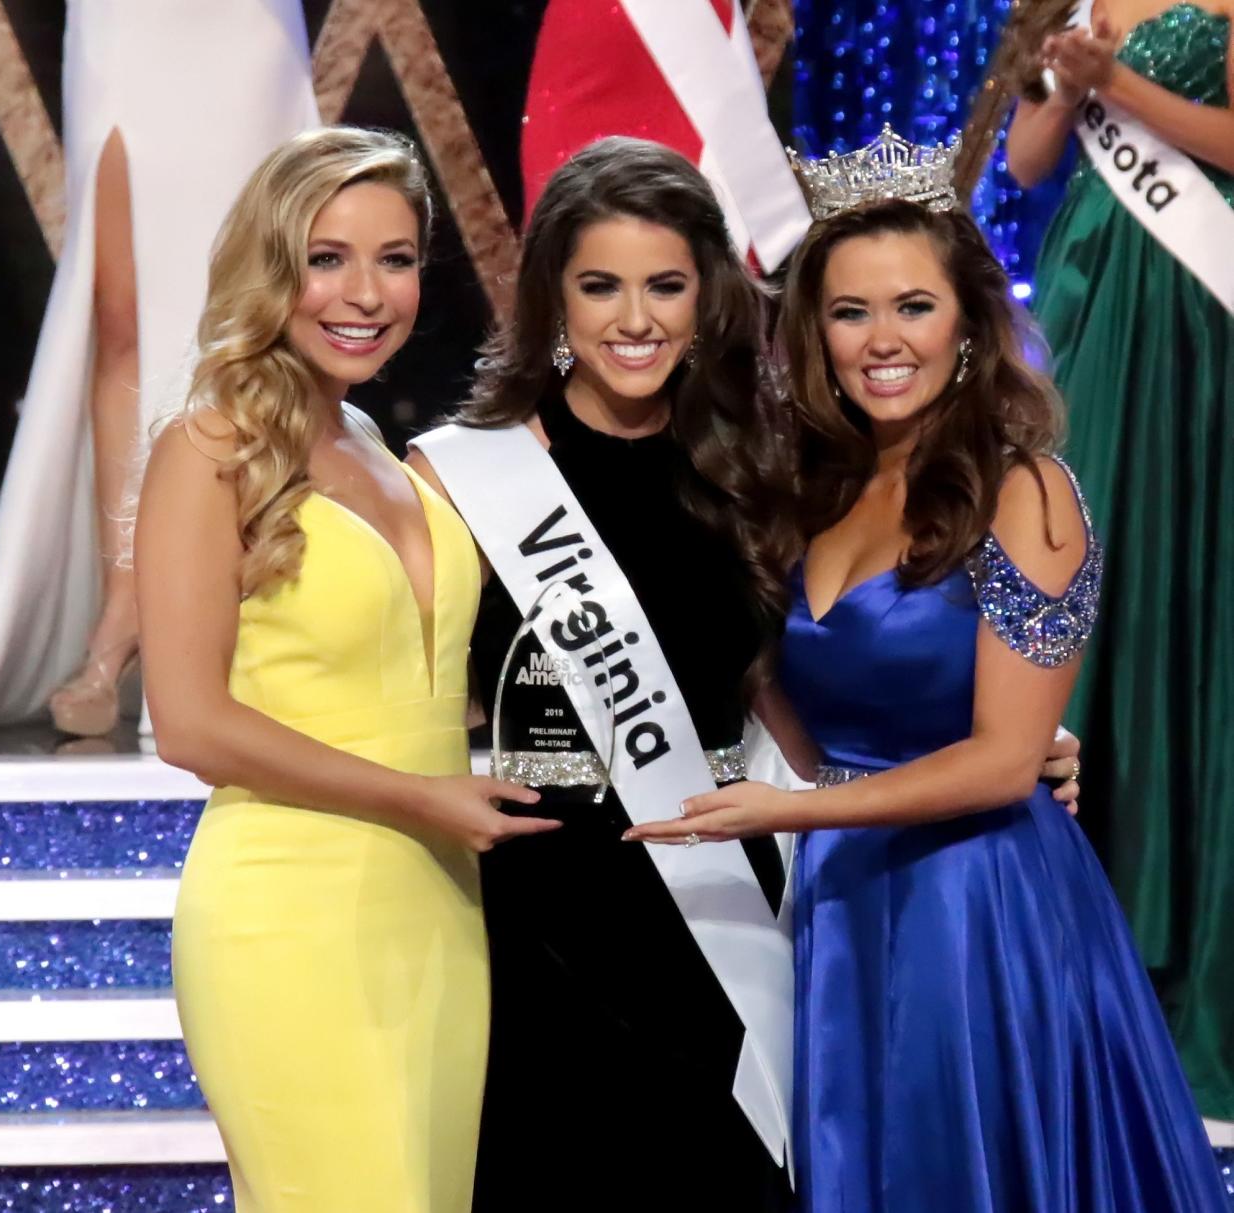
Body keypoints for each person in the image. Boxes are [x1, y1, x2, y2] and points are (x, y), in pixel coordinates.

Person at [409, 135, 1082, 1212]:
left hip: (725, 884)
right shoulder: (464, 476)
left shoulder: (763, 467)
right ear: (554, 301)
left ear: (709, 298)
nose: (635, 319)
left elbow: (800, 675)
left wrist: (1011, 744)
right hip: (541, 898)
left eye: (666, 285)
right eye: (600, 286)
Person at [626, 132, 1228, 1212]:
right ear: (815, 330)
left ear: (968, 323)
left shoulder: (1025, 491)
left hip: (979, 907)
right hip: (848, 894)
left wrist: (795, 811)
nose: (880, 340)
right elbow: (804, 717)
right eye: (850, 311)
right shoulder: (811, 488)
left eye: (913, 306)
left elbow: (1002, 765)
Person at [136, 127, 556, 1213]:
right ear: (271, 265)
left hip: (437, 912)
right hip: (289, 910)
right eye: (328, 257)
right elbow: (188, 723)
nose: (366, 292)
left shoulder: (380, 442)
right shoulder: (208, 445)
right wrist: (420, 796)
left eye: (397, 258)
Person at [1005, 1, 1234, 1117]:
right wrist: (1065, 76)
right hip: (1095, 294)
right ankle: (1073, 959)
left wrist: (1118, 82)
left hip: (1203, 312)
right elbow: (1028, 156)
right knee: (1079, 576)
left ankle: (1191, 954)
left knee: (1195, 587)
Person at [0, 0, 318, 735]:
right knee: (118, 316)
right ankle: (126, 604)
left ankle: (268, 611)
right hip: (128, 19)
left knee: (252, 306)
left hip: (242, 25)